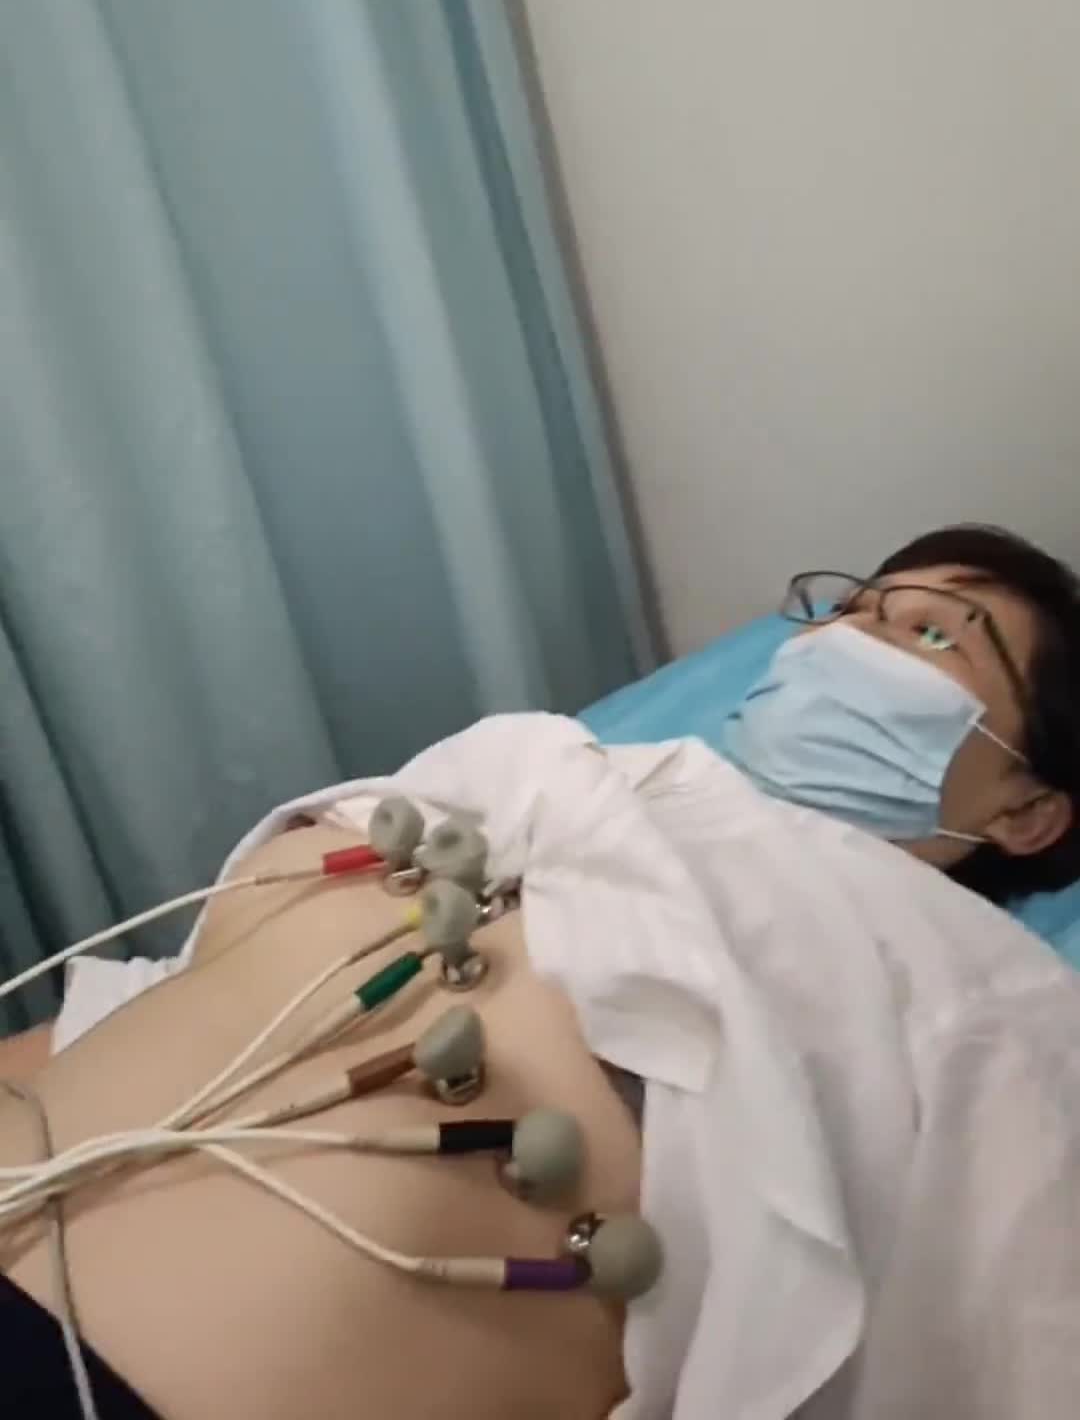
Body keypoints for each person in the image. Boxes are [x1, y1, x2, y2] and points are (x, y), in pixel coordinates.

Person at [4, 522, 1080, 1418]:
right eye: (852, 608)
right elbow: (173, 994)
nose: (847, 638)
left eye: (933, 633)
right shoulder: (551, 767)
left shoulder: (980, 997)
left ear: (1028, 811)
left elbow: (1011, 1341)